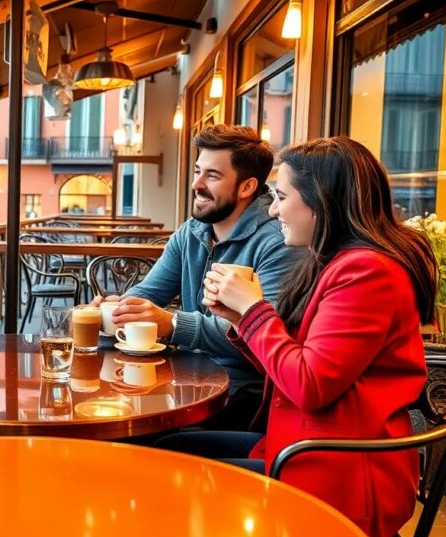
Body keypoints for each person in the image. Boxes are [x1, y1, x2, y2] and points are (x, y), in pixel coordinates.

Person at [164, 136, 436, 537]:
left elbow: (310, 384)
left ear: (321, 201)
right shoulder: (334, 262)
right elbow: (290, 366)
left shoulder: (367, 273)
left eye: (282, 196)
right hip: (299, 446)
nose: (273, 210)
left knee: (168, 477)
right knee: (167, 451)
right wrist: (238, 319)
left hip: (336, 474)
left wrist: (254, 310)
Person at [93, 124, 301, 429]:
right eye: (196, 171)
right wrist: (118, 309)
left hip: (242, 392)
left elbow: (260, 334)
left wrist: (173, 323)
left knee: (140, 436)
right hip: (183, 380)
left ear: (246, 187)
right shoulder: (192, 231)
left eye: (212, 176)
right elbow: (148, 293)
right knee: (110, 411)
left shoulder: (278, 243)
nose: (196, 184)